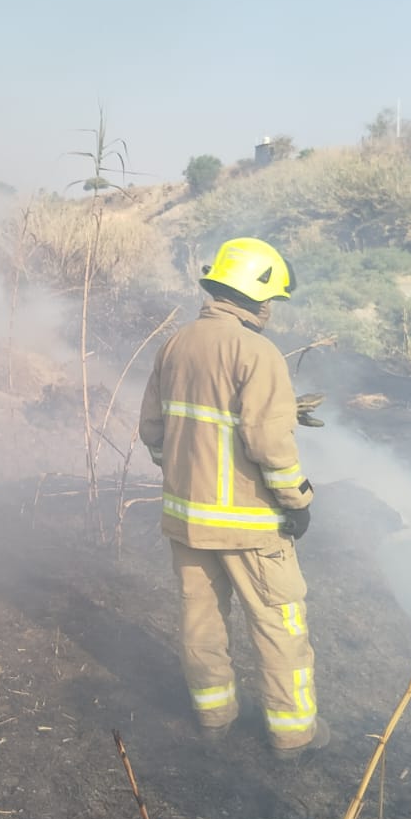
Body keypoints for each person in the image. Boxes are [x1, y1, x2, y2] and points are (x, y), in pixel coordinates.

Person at [138, 237, 325, 758]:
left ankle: (214, 719)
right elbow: (269, 443)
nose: (271, 310)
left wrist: (182, 474)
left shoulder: (175, 344)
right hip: (250, 526)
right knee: (280, 624)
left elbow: (153, 430)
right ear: (255, 297)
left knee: (200, 621)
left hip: (185, 522)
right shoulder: (257, 352)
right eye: (271, 300)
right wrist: (297, 500)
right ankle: (293, 736)